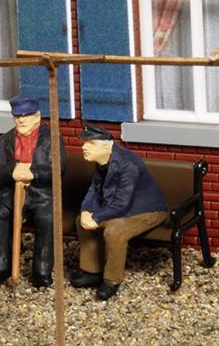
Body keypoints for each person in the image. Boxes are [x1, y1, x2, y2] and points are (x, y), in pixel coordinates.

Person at [72, 124, 169, 301]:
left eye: (90, 143)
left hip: (146, 211)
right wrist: (86, 211)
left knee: (115, 231)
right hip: (119, 209)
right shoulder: (102, 162)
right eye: (84, 143)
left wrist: (97, 216)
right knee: (81, 221)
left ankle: (112, 280)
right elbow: (93, 191)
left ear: (106, 145)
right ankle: (91, 271)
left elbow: (122, 203)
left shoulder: (129, 164)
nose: (83, 147)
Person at [0, 95, 56, 288]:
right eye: (17, 116)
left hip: (41, 196)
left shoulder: (52, 139)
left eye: (26, 115)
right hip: (11, 195)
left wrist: (33, 173)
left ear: (37, 116)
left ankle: (42, 270)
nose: (21, 120)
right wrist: (12, 171)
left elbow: (58, 169)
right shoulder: (5, 140)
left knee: (48, 219)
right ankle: (1, 266)